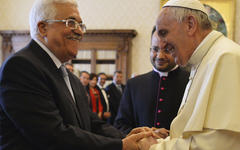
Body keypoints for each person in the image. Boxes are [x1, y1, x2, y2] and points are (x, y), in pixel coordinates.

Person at [0, 0, 154, 150]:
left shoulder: (71, 78)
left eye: (80, 25)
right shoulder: (22, 67)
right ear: (43, 28)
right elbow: (52, 135)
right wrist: (120, 146)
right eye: (71, 23)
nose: (80, 31)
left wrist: (126, 137)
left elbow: (92, 124)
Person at [139, 0, 240, 149]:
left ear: (190, 25)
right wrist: (160, 142)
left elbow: (219, 144)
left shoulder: (226, 57)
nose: (162, 44)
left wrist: (154, 147)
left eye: (164, 33)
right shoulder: (201, 61)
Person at [114, 26, 189, 134]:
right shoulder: (134, 85)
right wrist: (146, 136)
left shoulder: (191, 82)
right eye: (155, 49)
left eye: (167, 50)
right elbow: (120, 126)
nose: (160, 56)